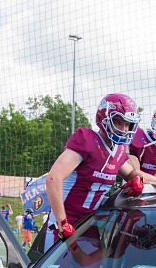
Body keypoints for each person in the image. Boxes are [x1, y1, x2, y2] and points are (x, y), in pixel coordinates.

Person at [44, 93, 148, 248]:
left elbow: (131, 174)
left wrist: (137, 180)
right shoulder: (86, 140)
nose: (124, 129)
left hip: (89, 224)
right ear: (104, 119)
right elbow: (53, 179)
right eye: (119, 122)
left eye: (128, 125)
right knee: (62, 265)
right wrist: (62, 222)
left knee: (96, 262)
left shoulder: (119, 150)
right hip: (65, 224)